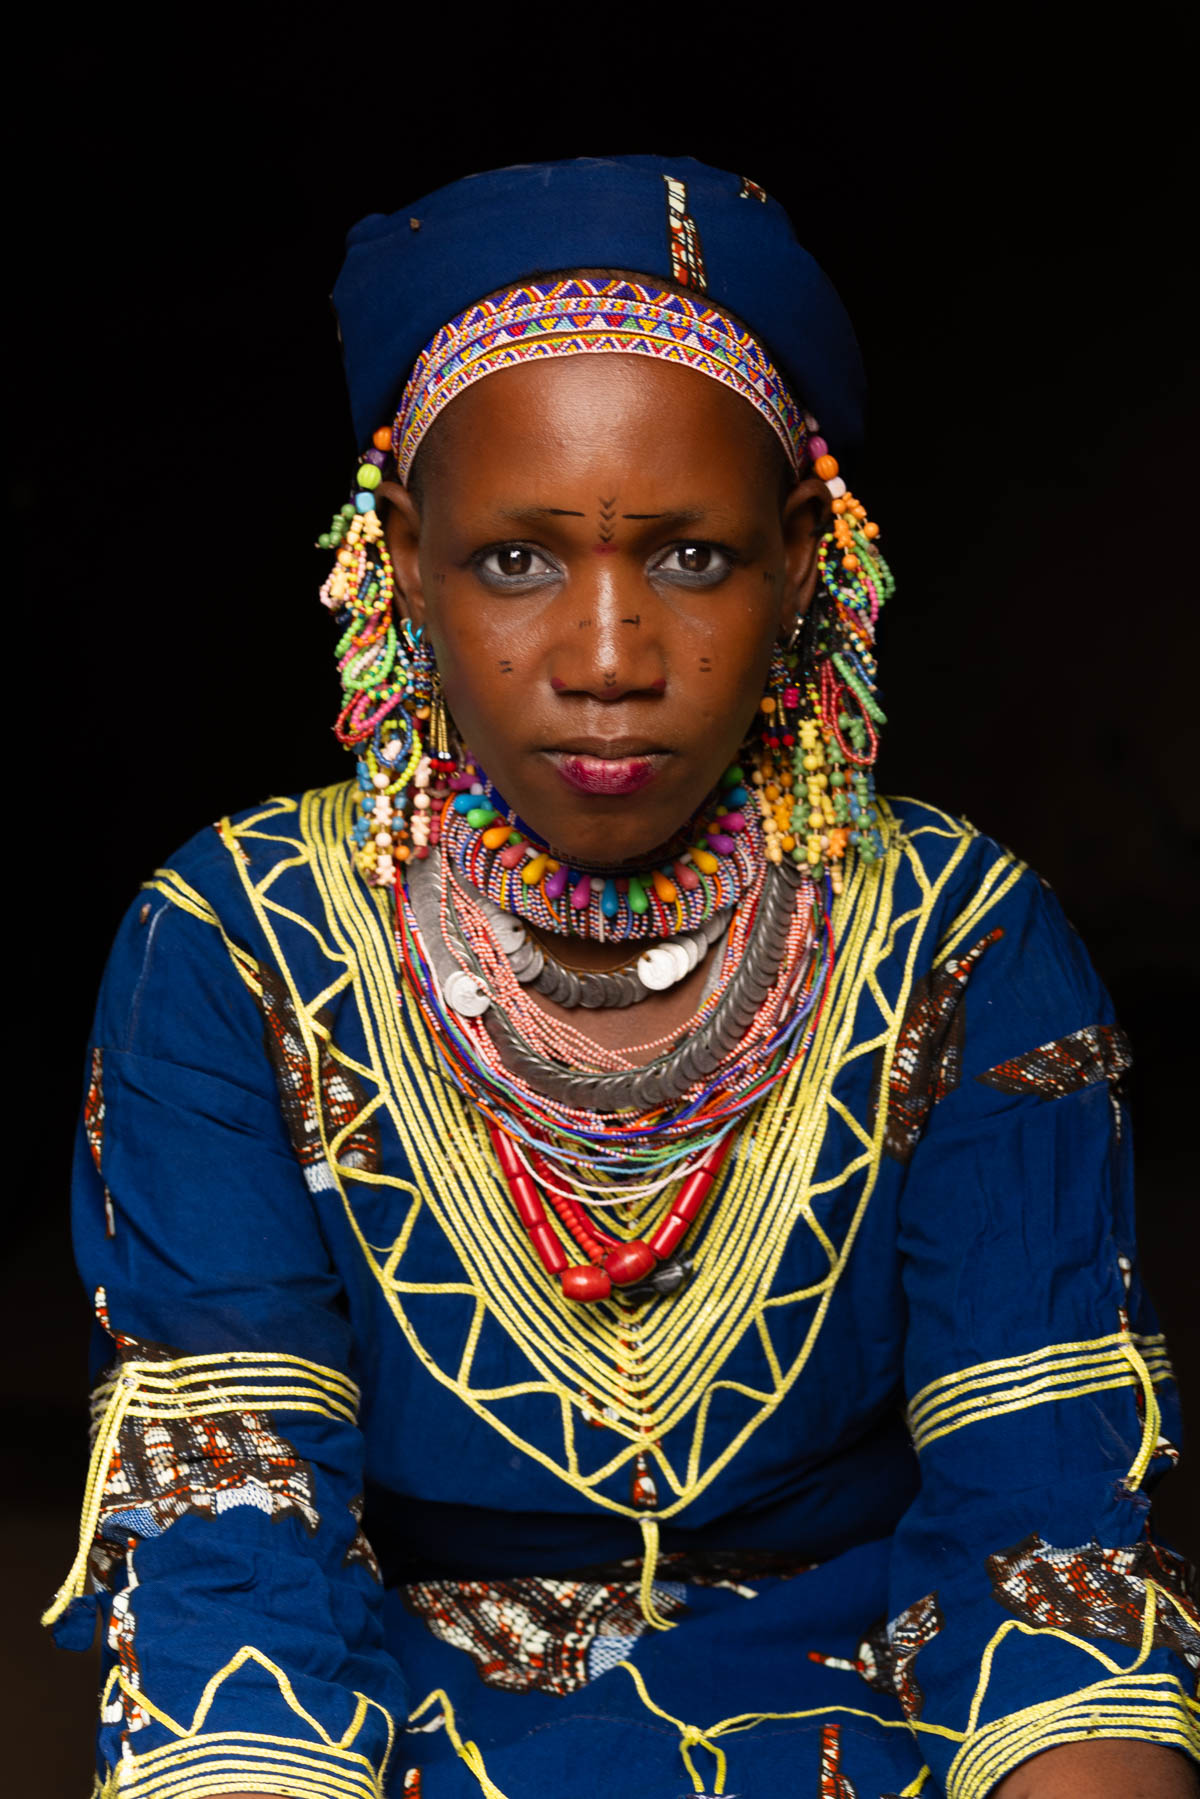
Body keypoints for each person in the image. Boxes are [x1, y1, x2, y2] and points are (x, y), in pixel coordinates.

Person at [47, 154, 1198, 1799]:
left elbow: (1045, 1542)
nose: (606, 657)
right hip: (381, 1714)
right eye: (517, 561)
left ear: (801, 562)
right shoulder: (240, 947)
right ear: (402, 558)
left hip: (876, 1703)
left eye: (692, 558)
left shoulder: (959, 937)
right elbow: (237, 1549)